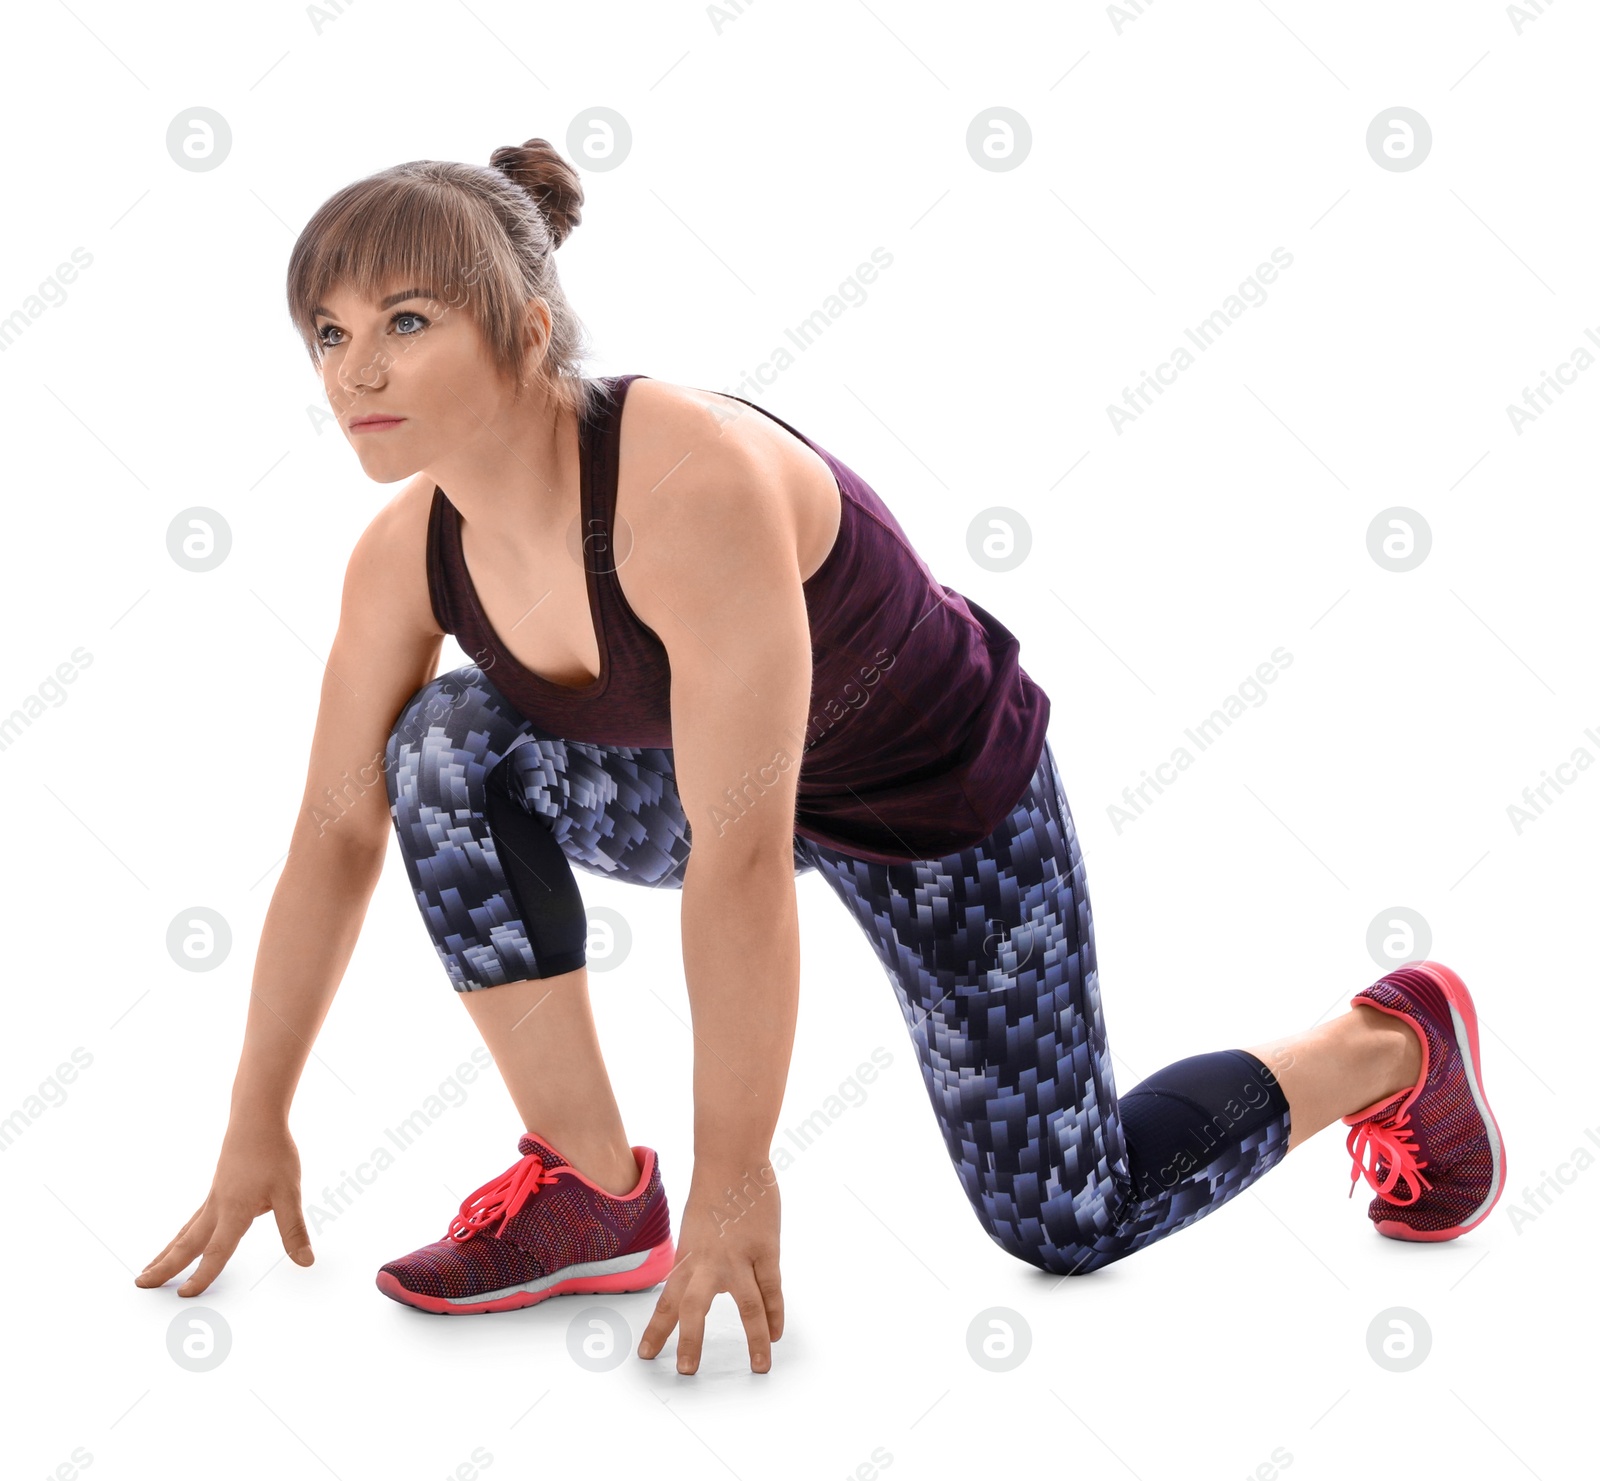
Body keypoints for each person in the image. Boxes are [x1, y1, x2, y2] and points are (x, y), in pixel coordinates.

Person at [134, 137, 1507, 1375]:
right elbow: (333, 832)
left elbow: (741, 853)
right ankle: (593, 1186)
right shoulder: (404, 559)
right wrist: (257, 1118)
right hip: (691, 772)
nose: (352, 371)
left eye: (405, 323)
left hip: (924, 796)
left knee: (1069, 1216)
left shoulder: (686, 487)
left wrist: (740, 1175)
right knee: (438, 750)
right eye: (326, 332)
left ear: (524, 330)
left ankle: (1386, 1044)